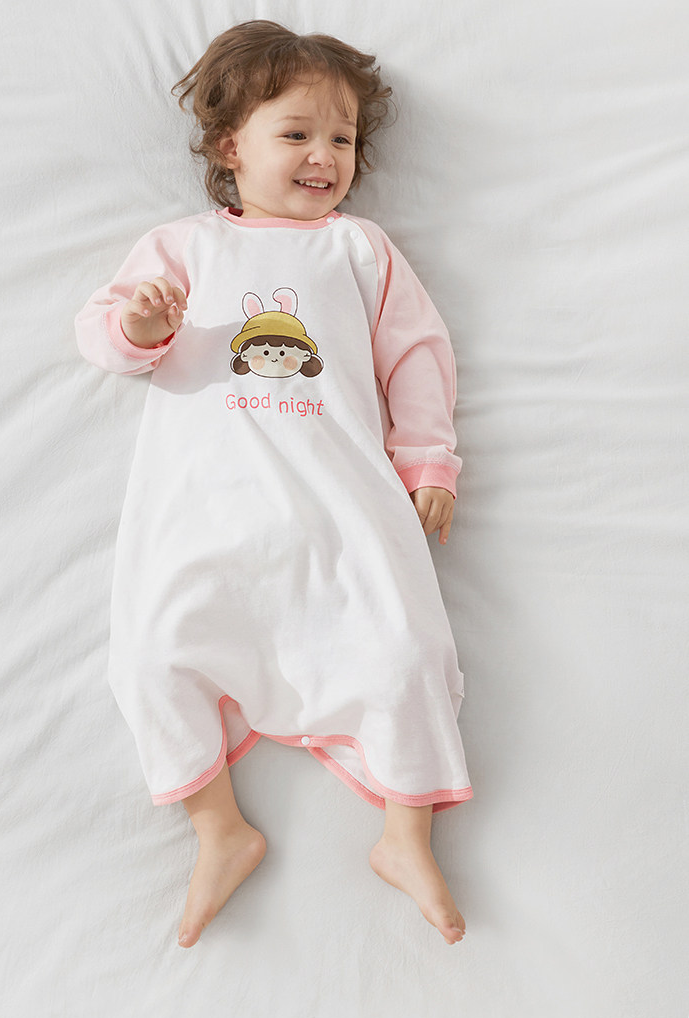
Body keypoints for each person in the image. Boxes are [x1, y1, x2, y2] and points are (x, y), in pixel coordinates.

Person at [75, 19, 472, 950]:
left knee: (409, 652)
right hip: (205, 514)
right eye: (296, 133)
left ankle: (405, 834)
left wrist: (429, 460)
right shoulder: (184, 248)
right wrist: (142, 325)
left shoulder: (360, 250)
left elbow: (417, 355)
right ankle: (220, 828)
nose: (324, 156)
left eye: (342, 138)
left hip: (345, 509)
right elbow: (104, 336)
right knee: (149, 659)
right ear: (230, 147)